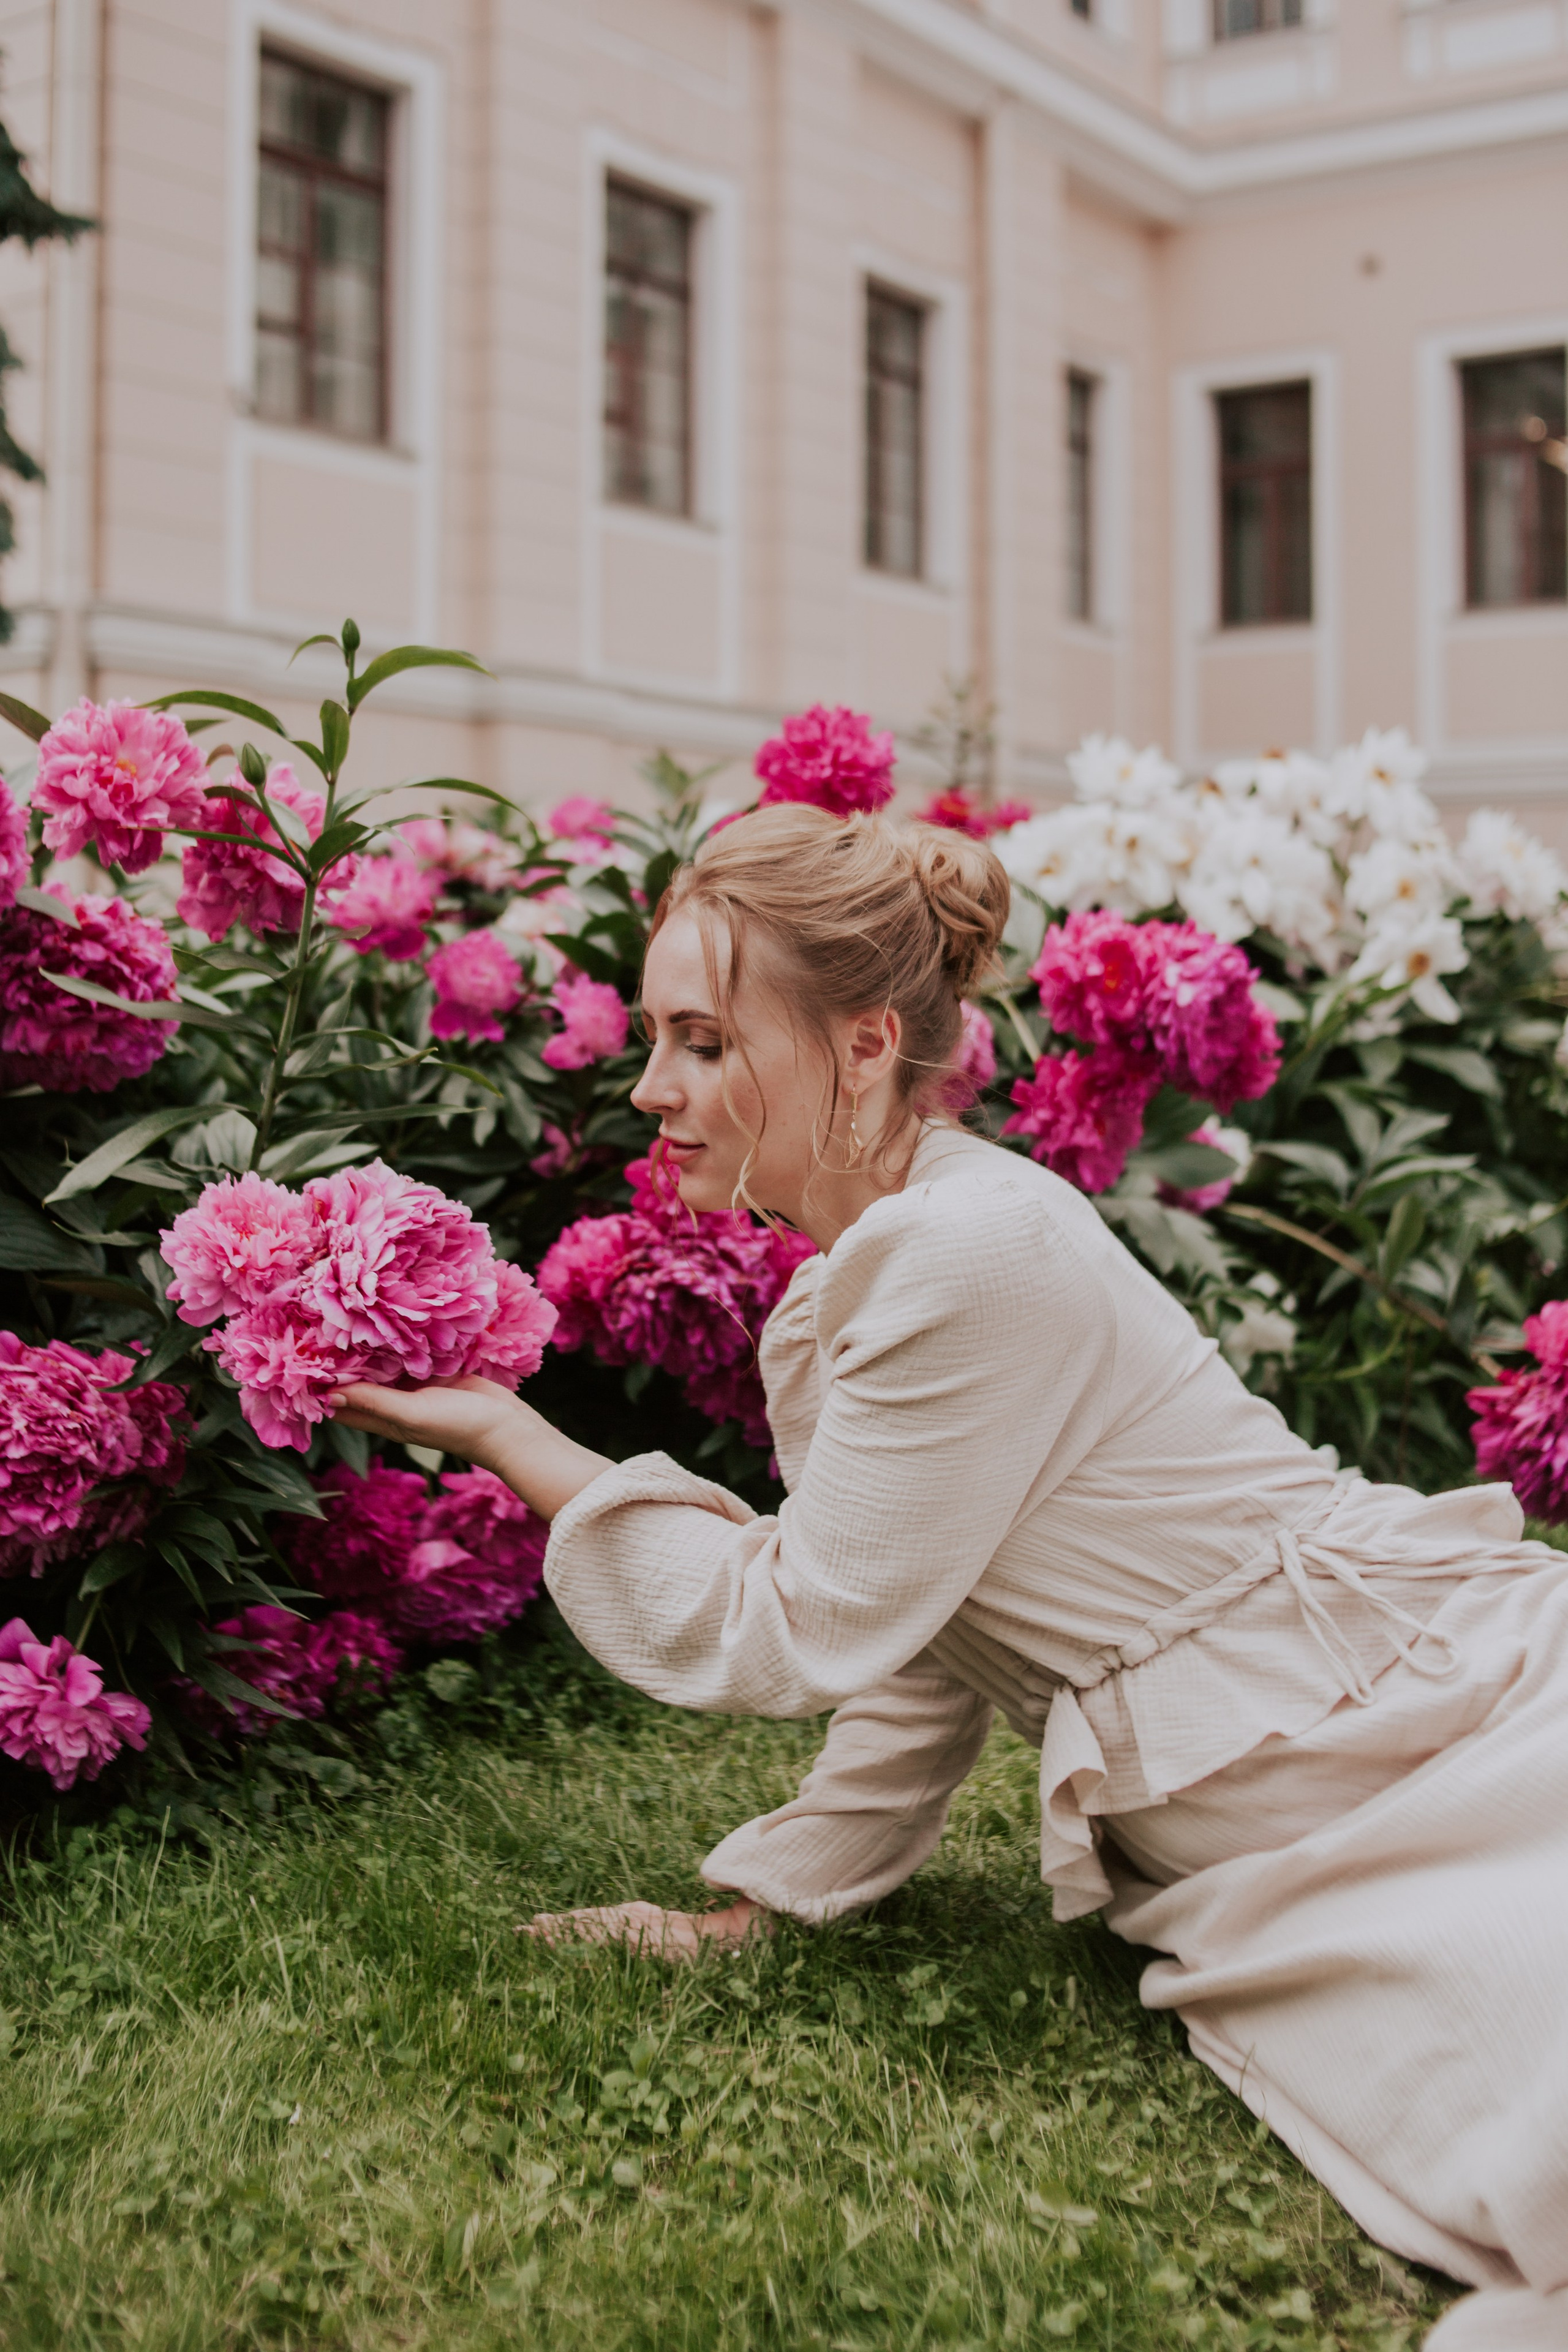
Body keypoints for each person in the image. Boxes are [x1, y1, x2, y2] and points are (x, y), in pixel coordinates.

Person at [329, 803, 1568, 2351]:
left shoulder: (963, 1254)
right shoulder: (905, 1238)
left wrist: (512, 1437)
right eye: (655, 1037)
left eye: (704, 1043)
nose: (651, 1089)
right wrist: (768, 1907)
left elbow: (793, 1625)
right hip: (1332, 1753)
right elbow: (922, 1627)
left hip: (1412, 1738)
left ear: (861, 1049)